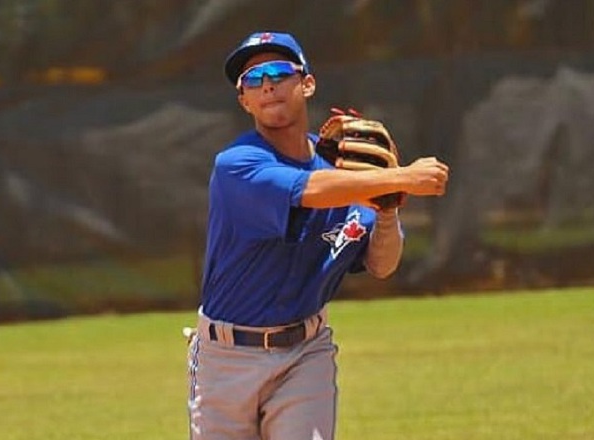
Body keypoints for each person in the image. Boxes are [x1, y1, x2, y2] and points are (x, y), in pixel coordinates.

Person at [186, 31, 449, 440]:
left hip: (305, 353)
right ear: (244, 101)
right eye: (252, 80)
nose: (267, 84)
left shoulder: (353, 177)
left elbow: (381, 265)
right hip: (226, 359)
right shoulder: (237, 165)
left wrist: (388, 207)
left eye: (278, 71)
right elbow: (307, 191)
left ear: (306, 84)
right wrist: (402, 177)